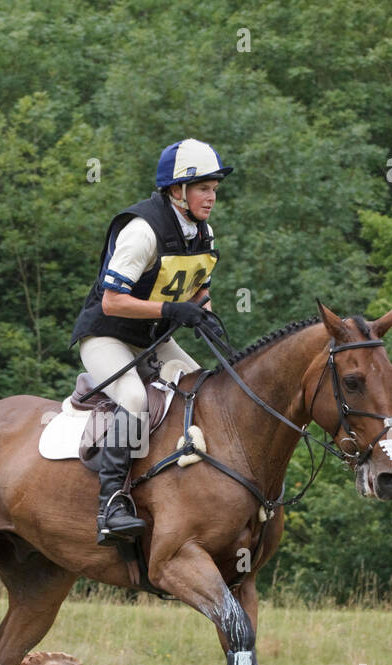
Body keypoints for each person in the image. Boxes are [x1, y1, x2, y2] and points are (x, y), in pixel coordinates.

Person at [70, 138, 232, 546]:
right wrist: (171, 312)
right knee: (135, 399)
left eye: (214, 188)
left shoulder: (202, 233)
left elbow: (197, 291)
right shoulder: (141, 230)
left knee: (204, 388)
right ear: (176, 191)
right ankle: (111, 505)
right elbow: (112, 300)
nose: (211, 197)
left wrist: (205, 316)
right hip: (107, 335)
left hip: (153, 339)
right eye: (203, 188)